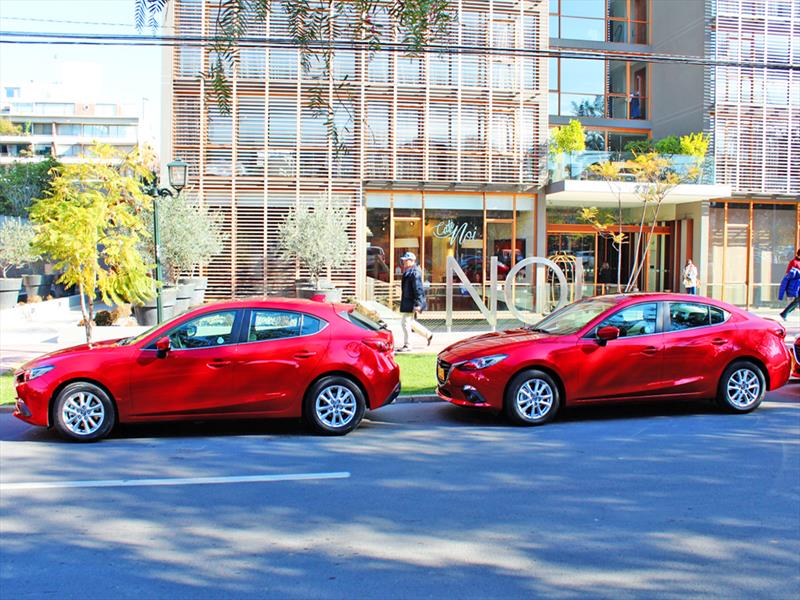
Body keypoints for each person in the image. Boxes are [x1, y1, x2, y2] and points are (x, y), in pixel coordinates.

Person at [397, 252, 432, 352]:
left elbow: (418, 289)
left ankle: (407, 345)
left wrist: (419, 304)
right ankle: (428, 335)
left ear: (412, 261)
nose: (403, 261)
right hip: (409, 301)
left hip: (411, 302)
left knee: (405, 323)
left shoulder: (414, 272)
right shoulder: (409, 271)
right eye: (403, 260)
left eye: (406, 260)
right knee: (410, 322)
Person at [779, 249, 800, 320]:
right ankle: (784, 313)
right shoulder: (794, 262)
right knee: (797, 300)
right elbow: (789, 274)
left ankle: (784, 313)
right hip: (796, 285)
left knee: (797, 301)